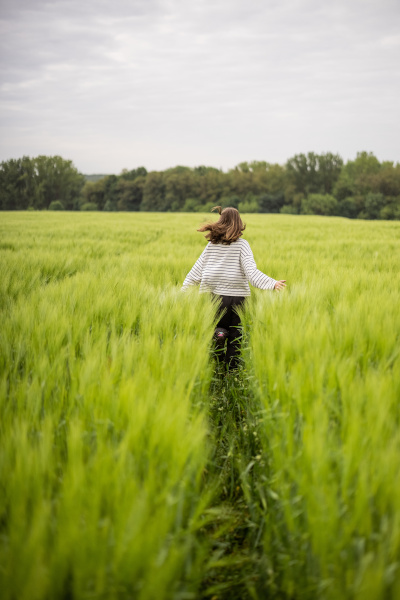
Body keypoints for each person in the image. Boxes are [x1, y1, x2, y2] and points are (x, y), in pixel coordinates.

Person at [182, 206, 286, 370]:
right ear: (238, 223)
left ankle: (217, 360)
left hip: (212, 298)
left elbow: (196, 272)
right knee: (236, 337)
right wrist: (272, 283)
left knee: (215, 330)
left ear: (220, 222)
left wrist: (184, 291)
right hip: (237, 299)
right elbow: (252, 273)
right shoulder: (242, 245)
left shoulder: (211, 246)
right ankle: (231, 372)